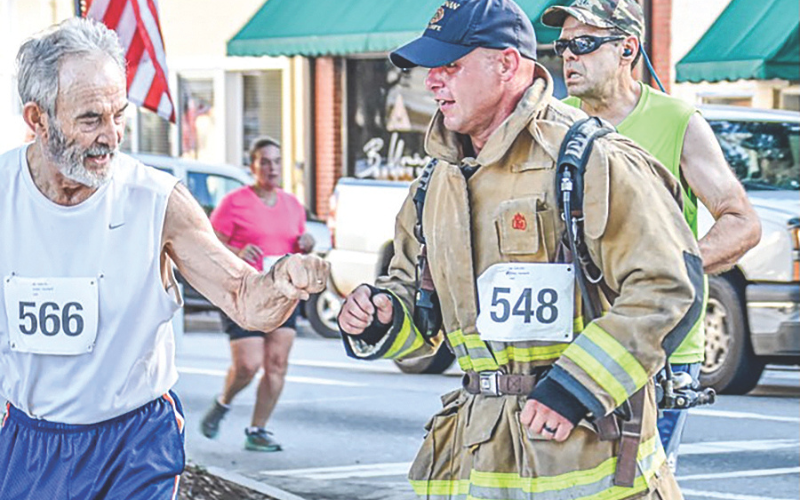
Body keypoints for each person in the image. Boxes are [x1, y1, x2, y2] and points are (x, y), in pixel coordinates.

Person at [337, 0, 705, 498]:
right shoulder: (434, 182)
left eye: (450, 65)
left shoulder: (591, 156)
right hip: (473, 459)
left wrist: (577, 387)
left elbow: (670, 288)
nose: (432, 81)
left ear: (507, 64)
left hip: (588, 459)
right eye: (430, 68)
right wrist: (382, 316)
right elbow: (421, 317)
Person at [0, 18, 328, 500]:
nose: (111, 135)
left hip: (134, 443)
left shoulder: (156, 200)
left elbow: (243, 297)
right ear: (38, 119)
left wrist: (282, 281)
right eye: (90, 119)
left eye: (118, 114)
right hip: (31, 442)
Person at [540, 0, 761, 469]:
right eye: (562, 47)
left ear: (627, 49)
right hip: (572, 345)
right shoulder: (552, 122)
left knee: (642, 485)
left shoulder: (677, 120)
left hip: (659, 346)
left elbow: (742, 223)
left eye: (584, 43)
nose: (569, 56)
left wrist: (670, 272)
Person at [200, 136, 315, 452]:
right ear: (252, 166)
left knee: (277, 364)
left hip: (283, 295)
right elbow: (208, 245)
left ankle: (257, 430)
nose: (272, 168)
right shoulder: (234, 203)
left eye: (276, 161)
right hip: (244, 292)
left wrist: (307, 245)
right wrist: (236, 251)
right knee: (248, 365)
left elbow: (297, 247)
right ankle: (223, 402)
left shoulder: (292, 205)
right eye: (264, 162)